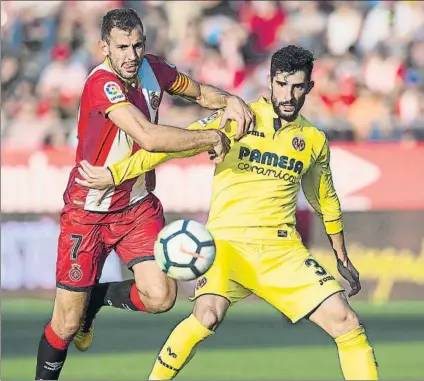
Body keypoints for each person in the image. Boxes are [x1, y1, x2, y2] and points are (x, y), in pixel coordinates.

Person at [75, 45, 379, 381]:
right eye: (281, 84)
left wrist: (341, 254)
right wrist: (116, 173)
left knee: (347, 323)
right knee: (207, 315)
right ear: (270, 81)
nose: (288, 94)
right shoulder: (237, 116)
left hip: (281, 251)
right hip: (226, 244)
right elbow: (166, 148)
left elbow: (326, 200)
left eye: (297, 86)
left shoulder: (313, 139)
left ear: (308, 87)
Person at [34, 8, 255, 380]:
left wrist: (230, 99)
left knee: (162, 297)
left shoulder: (154, 69)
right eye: (122, 47)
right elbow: (149, 138)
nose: (131, 55)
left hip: (136, 206)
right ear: (104, 47)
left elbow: (200, 92)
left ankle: (95, 301)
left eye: (137, 45)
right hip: (88, 209)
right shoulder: (101, 84)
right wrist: (210, 137)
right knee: (66, 324)